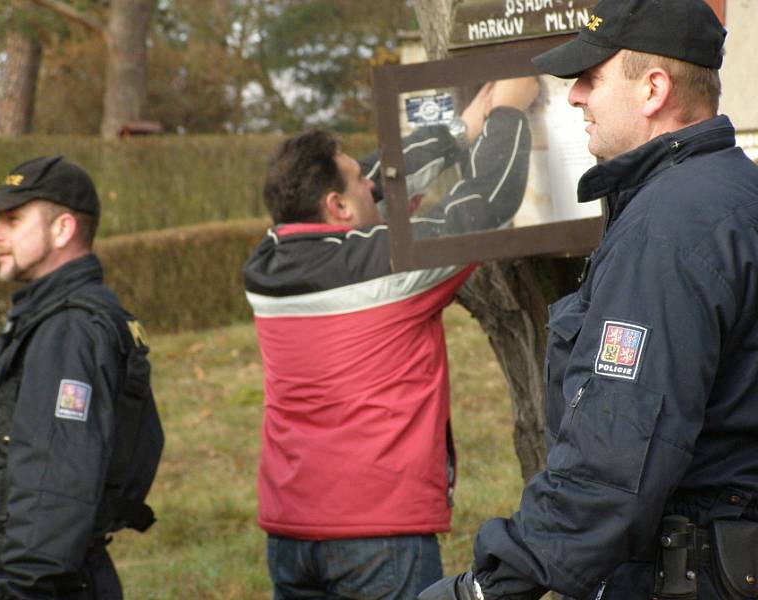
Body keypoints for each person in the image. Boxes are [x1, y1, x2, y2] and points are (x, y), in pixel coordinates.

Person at [419, 0, 758, 599]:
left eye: (591, 78)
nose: (574, 96)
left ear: (653, 89)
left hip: (692, 573)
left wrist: (486, 586)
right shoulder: (735, 191)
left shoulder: (668, 229)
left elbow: (614, 464)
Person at [243, 77, 539, 600]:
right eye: (359, 183)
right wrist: (510, 112)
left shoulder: (264, 266)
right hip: (379, 536)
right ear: (336, 206)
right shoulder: (390, 267)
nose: (373, 186)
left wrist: (460, 128)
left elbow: (378, 180)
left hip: (290, 530)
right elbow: (483, 206)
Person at [0, 156, 164, 599]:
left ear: (63, 229)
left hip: (30, 585)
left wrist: (20, 589)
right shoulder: (49, 319)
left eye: (13, 220)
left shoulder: (68, 331)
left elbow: (56, 484)